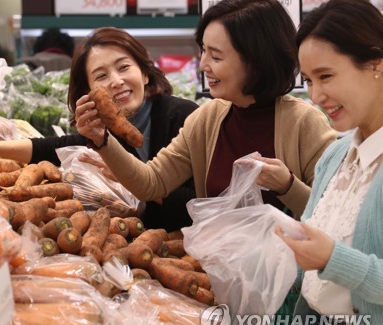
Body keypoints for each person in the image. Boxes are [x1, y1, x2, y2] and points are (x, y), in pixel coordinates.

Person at [75, 0, 336, 220]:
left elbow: (333, 216)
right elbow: (150, 183)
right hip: (217, 272)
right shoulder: (206, 119)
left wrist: (287, 185)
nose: (203, 65)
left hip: (288, 276)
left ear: (256, 60)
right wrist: (102, 140)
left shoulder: (305, 123)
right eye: (203, 51)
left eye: (216, 56)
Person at [0, 27, 199, 232]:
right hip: (135, 245)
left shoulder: (183, 117)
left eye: (124, 67)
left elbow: (201, 204)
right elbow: (52, 148)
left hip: (189, 245)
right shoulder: (103, 132)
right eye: (101, 76)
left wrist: (128, 176)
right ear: (89, 92)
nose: (116, 81)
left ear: (145, 73)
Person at [275, 1, 383, 325]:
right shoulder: (336, 154)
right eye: (307, 80)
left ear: (376, 65)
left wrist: (332, 259)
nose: (316, 95)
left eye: (326, 76)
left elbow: (332, 258)